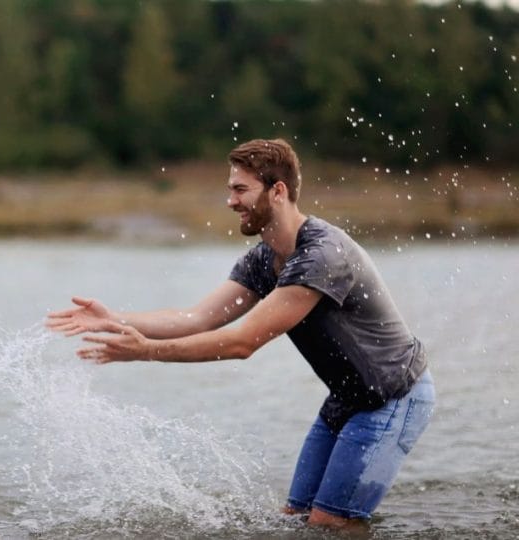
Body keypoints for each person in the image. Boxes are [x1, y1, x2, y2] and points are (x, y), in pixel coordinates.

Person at [45, 138, 434, 529]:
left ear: (277, 191)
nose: (230, 201)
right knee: (297, 520)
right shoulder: (264, 259)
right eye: (230, 190)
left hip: (392, 396)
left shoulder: (321, 256)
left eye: (240, 190)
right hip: (346, 399)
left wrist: (146, 350)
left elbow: (242, 342)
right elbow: (197, 318)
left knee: (331, 523)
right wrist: (117, 319)